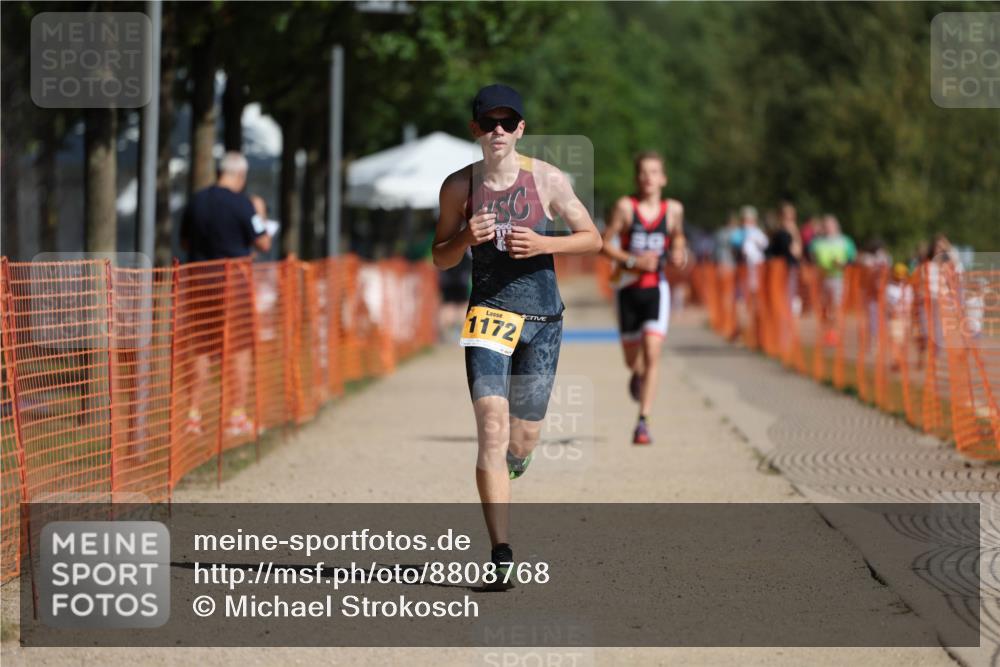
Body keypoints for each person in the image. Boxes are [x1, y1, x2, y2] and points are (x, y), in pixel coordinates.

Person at [431, 84, 601, 587]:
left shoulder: (546, 179)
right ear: (476, 129)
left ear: (521, 129)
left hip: (543, 322)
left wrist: (544, 242)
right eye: (489, 122)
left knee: (522, 439)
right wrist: (465, 238)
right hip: (488, 315)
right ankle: (500, 551)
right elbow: (439, 254)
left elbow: (593, 239)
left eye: (508, 123)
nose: (498, 131)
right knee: (491, 428)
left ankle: (514, 463)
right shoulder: (458, 187)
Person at [179, 151, 274, 438]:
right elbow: (264, 243)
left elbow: (184, 241)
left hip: (199, 282)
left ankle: (192, 415)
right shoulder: (243, 204)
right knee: (240, 348)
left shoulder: (195, 201)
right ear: (240, 175)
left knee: (202, 348)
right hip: (233, 283)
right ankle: (236, 415)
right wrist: (261, 214)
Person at [601, 150, 685, 445]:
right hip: (627, 290)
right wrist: (634, 262)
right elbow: (604, 244)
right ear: (637, 177)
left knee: (653, 351)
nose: (648, 177)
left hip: (655, 289)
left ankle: (643, 421)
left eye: (654, 172)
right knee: (632, 360)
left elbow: (677, 236)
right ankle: (636, 373)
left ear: (663, 178)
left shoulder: (673, 209)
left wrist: (678, 251)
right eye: (643, 172)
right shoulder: (626, 207)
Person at [808, 214, 856, 346]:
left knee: (835, 306)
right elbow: (811, 257)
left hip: (838, 278)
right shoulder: (817, 242)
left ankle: (834, 334)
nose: (828, 228)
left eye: (830, 225)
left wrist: (842, 263)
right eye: (826, 225)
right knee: (824, 307)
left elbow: (852, 259)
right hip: (821, 278)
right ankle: (826, 331)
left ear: (836, 226)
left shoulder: (845, 241)